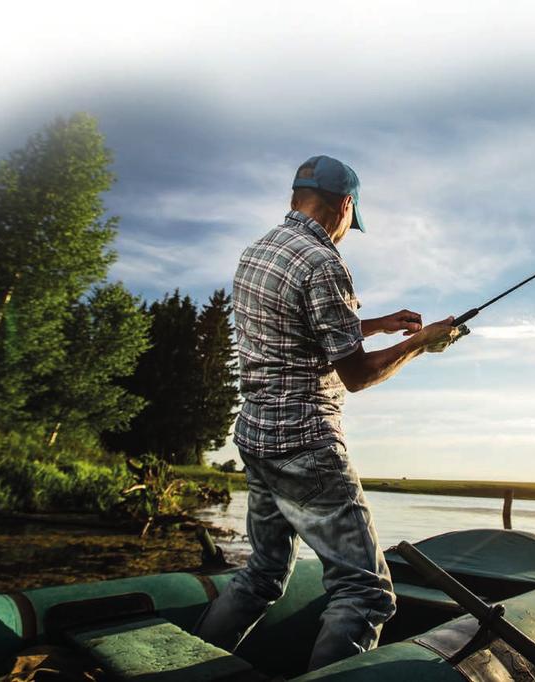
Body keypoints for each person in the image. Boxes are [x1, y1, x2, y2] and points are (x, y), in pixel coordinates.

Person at [195, 155, 462, 670]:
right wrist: (422, 344)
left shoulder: (258, 252)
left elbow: (296, 327)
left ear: (297, 197)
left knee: (264, 574)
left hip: (255, 435)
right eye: (350, 220)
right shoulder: (323, 262)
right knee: (366, 595)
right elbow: (356, 376)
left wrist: (379, 324)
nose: (347, 232)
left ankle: (180, 672)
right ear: (345, 205)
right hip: (306, 444)